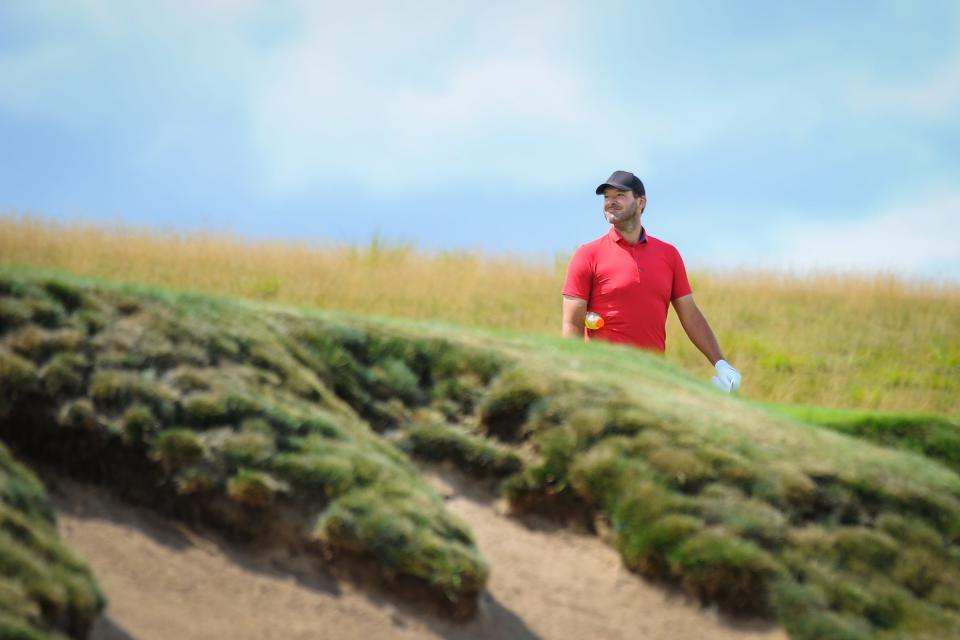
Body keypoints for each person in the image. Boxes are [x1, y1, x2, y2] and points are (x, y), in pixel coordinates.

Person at [561, 170, 741, 392]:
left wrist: (720, 362)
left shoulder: (668, 255)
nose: (611, 202)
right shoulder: (587, 254)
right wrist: (572, 371)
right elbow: (572, 322)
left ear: (641, 202)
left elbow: (691, 315)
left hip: (652, 377)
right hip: (603, 374)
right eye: (607, 197)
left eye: (619, 195)